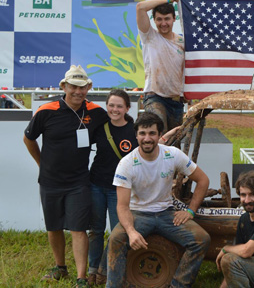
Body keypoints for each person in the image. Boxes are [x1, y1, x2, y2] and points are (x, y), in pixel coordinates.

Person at [23, 65, 108, 288]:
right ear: (64, 86)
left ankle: (81, 278)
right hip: (50, 181)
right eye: (73, 87)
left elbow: (116, 129)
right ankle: (60, 268)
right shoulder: (46, 111)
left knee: (79, 228)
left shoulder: (97, 112)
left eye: (82, 87)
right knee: (54, 227)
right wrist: (42, 164)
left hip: (79, 181)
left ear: (88, 87)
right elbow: (28, 139)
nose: (78, 92)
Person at [106, 112, 210, 288]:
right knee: (116, 239)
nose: (147, 138)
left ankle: (178, 284)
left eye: (152, 133)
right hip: (138, 214)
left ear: (159, 135)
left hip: (166, 213)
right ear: (136, 135)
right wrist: (131, 231)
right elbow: (123, 207)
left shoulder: (172, 154)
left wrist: (190, 211)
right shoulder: (126, 164)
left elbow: (203, 180)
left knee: (202, 239)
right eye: (142, 133)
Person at [88, 91, 180, 286]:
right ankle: (92, 270)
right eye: (111, 105)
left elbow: (151, 143)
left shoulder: (134, 129)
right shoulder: (99, 128)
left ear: (127, 109)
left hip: (119, 190)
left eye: (119, 106)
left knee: (116, 233)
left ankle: (105, 271)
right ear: (107, 106)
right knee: (95, 230)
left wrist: (170, 133)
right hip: (97, 184)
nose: (115, 109)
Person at [136, 0, 185, 132]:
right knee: (158, 132)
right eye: (159, 19)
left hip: (176, 100)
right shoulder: (149, 36)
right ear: (154, 20)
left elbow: (186, 70)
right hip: (154, 96)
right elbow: (140, 7)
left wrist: (188, 94)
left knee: (173, 143)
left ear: (174, 19)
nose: (163, 23)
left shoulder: (182, 42)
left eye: (167, 19)